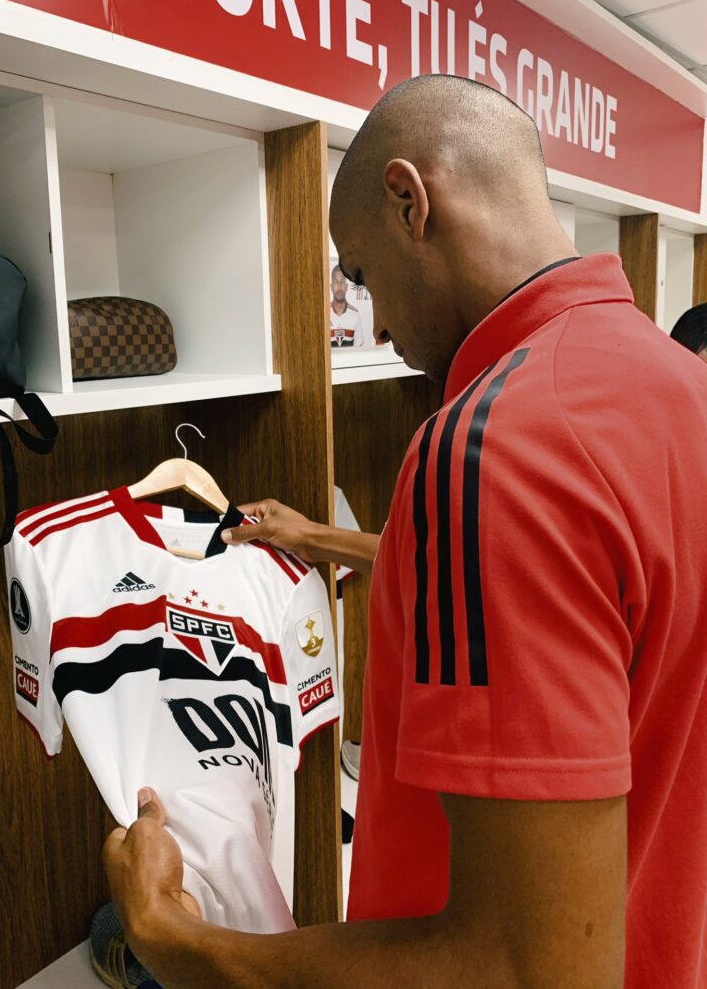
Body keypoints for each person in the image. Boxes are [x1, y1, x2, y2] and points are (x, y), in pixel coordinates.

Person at [103, 75, 707, 988]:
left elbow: (522, 969)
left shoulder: (494, 444)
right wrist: (321, 538)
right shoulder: (672, 385)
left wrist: (173, 940)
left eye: (358, 274)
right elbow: (579, 598)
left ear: (409, 200)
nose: (378, 323)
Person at [329, 264, 364, 347]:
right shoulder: (323, 314)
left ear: (346, 286)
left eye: (342, 281)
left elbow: (358, 347)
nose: (339, 286)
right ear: (331, 286)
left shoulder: (355, 314)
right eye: (336, 281)